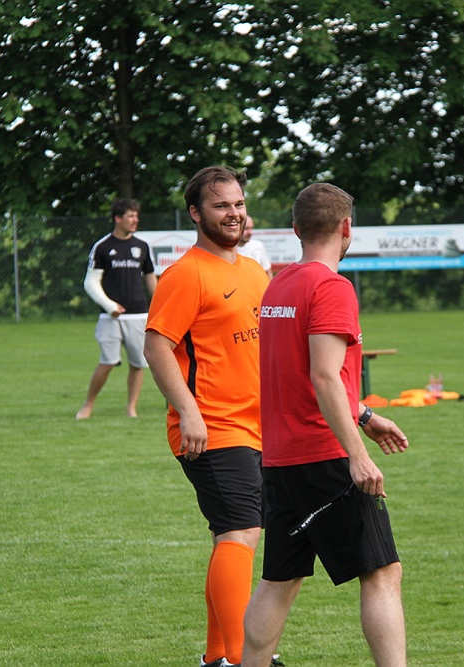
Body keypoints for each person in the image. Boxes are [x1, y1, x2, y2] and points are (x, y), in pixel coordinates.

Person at [243, 183, 409, 666]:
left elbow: (301, 374)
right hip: (324, 455)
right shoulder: (332, 287)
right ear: (346, 227)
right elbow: (323, 375)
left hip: (280, 457)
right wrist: (358, 455)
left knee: (280, 580)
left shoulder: (278, 285)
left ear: (296, 229)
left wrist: (366, 415)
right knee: (382, 573)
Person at [144, 166, 272, 667]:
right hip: (211, 428)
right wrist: (188, 412)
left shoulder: (253, 271)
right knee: (241, 533)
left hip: (256, 427)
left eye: (238, 204)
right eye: (221, 206)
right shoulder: (186, 273)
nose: (233, 213)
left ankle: (218, 657)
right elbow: (157, 346)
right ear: (196, 214)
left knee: (232, 538)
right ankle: (240, 659)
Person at [76, 198, 157, 420]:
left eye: (136, 216)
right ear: (118, 218)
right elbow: (90, 283)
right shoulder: (102, 247)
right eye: (130, 216)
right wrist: (109, 306)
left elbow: (150, 278)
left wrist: (160, 303)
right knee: (108, 361)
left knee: (138, 364)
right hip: (110, 318)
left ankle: (131, 408)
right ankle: (88, 405)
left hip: (139, 315)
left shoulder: (142, 246)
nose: (135, 220)